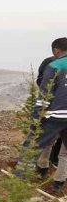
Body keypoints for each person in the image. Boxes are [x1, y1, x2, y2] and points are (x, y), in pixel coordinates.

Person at [18, 56, 67, 191]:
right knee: (64, 153)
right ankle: (58, 184)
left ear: (56, 50)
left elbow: (44, 95)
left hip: (55, 115)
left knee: (34, 144)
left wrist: (36, 118)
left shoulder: (54, 65)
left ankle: (19, 181)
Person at [34, 38, 66, 175]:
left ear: (56, 50)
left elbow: (42, 85)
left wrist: (37, 115)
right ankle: (58, 180)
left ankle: (42, 168)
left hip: (54, 111)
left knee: (46, 141)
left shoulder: (51, 64)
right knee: (63, 151)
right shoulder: (51, 63)